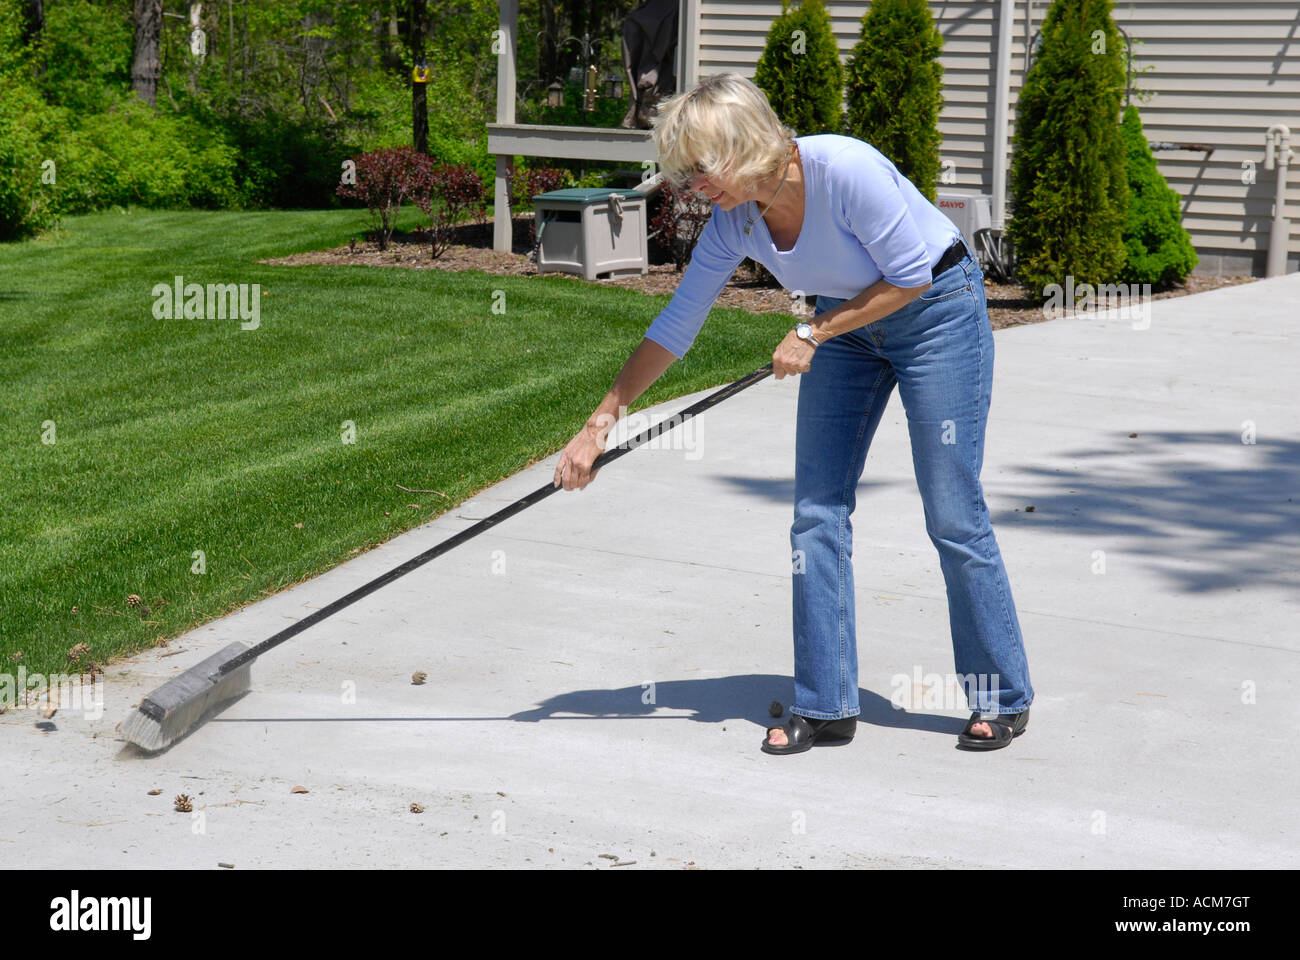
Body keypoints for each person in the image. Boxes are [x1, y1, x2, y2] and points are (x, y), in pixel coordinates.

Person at [553, 73, 1034, 755]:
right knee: (816, 514)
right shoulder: (735, 220)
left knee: (952, 511)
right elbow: (676, 325)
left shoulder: (846, 170)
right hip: (844, 328)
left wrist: (813, 332)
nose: (691, 184)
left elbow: (910, 276)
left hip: (935, 314)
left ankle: (1002, 697)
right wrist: (603, 420)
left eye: (700, 165)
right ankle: (826, 703)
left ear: (745, 146)